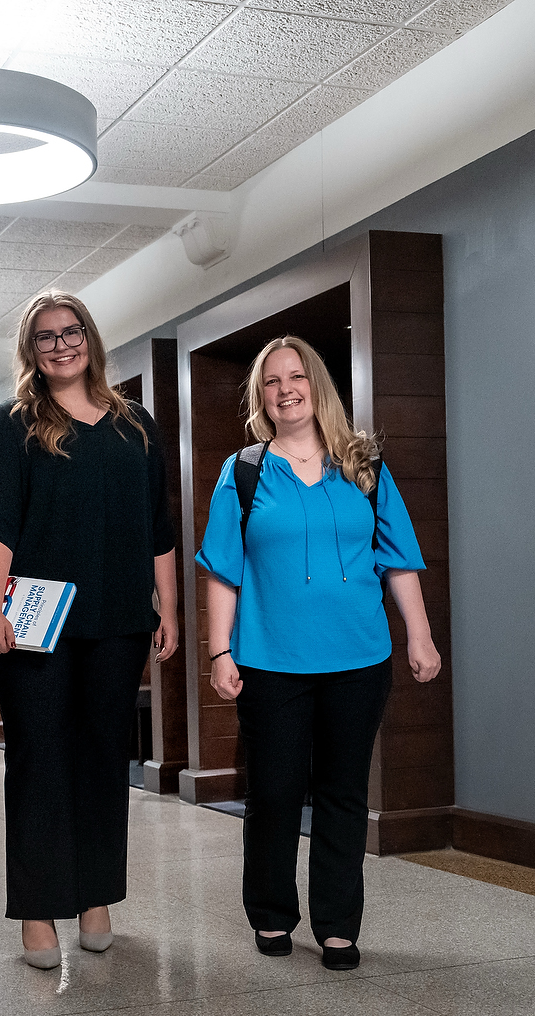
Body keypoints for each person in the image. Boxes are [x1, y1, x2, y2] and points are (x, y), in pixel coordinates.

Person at [196, 336, 441, 970]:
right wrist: (220, 651)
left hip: (359, 659)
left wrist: (419, 634)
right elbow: (224, 568)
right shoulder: (243, 471)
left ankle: (338, 925)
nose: (286, 389)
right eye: (272, 381)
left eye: (296, 377)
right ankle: (272, 915)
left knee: (343, 793)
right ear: (262, 397)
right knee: (275, 793)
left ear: (317, 386)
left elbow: (399, 557)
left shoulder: (362, 465)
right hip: (271, 661)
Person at [0, 291, 178, 968]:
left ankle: (95, 895)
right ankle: (37, 909)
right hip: (36, 623)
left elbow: (159, 531)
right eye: (45, 337)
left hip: (117, 620)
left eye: (70, 332)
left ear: (89, 337)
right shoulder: (10, 427)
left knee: (101, 760)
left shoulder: (136, 426)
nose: (60, 346)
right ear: (31, 351)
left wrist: (168, 609)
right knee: (38, 761)